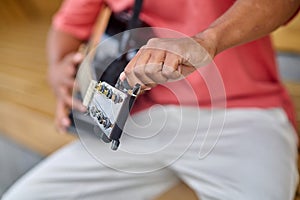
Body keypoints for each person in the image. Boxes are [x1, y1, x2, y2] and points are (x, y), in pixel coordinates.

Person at [2, 0, 300, 199]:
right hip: (134, 119)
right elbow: (68, 25)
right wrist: (58, 69)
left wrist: (208, 40)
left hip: (244, 113)